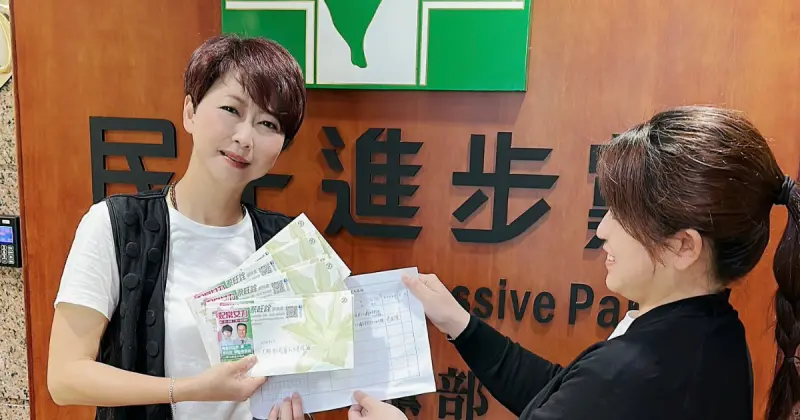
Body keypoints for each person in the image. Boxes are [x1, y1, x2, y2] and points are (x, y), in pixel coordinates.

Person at [343, 106, 800, 420]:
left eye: (621, 215)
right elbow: (562, 395)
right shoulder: (709, 332)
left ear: (684, 246)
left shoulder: (639, 374)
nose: (602, 230)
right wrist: (461, 324)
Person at [46, 34, 307, 420]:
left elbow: (309, 369)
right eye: (231, 109)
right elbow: (65, 378)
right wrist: (190, 390)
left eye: (267, 123)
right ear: (190, 112)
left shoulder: (287, 244)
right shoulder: (116, 225)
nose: (244, 137)